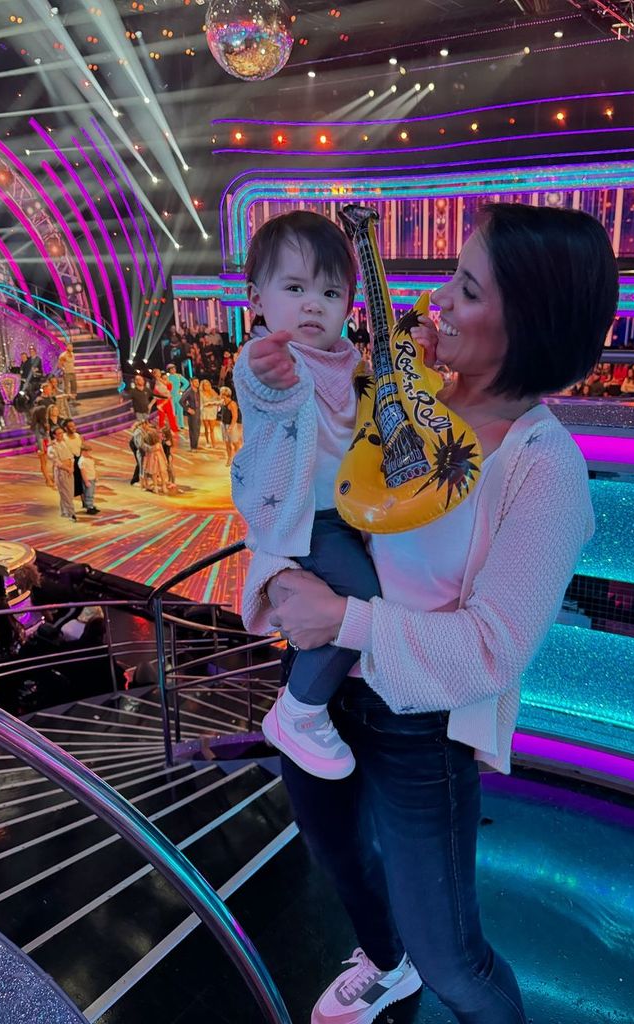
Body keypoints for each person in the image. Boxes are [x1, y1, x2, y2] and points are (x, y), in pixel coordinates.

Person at [241, 202, 619, 1024]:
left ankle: (420, 969)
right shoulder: (408, 393)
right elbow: (291, 485)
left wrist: (339, 620)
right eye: (452, 275)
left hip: (417, 726)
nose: (438, 301)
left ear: (529, 325)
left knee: (452, 958)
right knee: (337, 861)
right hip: (319, 686)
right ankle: (383, 963)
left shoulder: (544, 469)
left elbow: (492, 650)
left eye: (468, 289)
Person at [232, 209, 381, 783]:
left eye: (329, 291)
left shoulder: (350, 362)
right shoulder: (272, 359)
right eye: (294, 288)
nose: (313, 304)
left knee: (356, 604)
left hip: (346, 514)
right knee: (363, 603)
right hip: (308, 520)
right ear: (258, 298)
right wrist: (264, 371)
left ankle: (309, 705)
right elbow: (260, 384)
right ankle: (297, 712)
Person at [48, 425, 77, 521]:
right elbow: (57, 462)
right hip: (62, 472)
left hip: (69, 470)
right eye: (59, 433)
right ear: (54, 435)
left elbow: (71, 457)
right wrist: (67, 468)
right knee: (66, 493)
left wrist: (71, 467)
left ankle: (64, 510)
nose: (61, 435)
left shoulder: (65, 443)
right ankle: (71, 513)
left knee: (69, 492)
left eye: (62, 433)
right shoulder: (52, 447)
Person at [217, 386, 241, 467]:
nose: (220, 395)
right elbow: (216, 404)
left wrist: (230, 427)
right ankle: (229, 458)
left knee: (235, 443)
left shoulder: (232, 404)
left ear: (225, 394)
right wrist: (208, 404)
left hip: (230, 425)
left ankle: (238, 460)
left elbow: (235, 417)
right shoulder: (222, 402)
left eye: (221, 393)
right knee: (227, 443)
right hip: (223, 424)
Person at [166, 363, 190, 430]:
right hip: (171, 396)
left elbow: (187, 383)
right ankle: (173, 425)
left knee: (180, 410)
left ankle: (181, 425)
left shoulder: (178, 376)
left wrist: (182, 389)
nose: (173, 370)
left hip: (178, 396)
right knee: (172, 412)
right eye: (171, 369)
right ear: (169, 370)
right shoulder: (167, 378)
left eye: (174, 368)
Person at [179, 376, 202, 451]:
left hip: (198, 411)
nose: (197, 383)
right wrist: (188, 409)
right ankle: (193, 447)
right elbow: (181, 401)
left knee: (197, 429)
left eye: (198, 382)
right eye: (195, 382)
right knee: (193, 430)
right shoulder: (189, 391)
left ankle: (196, 445)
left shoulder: (198, 391)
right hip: (193, 412)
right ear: (191, 383)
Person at [199, 378, 221, 448]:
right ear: (202, 386)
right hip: (205, 412)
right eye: (205, 385)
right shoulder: (200, 393)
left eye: (208, 385)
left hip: (212, 412)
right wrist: (207, 404)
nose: (207, 386)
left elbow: (218, 399)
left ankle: (214, 443)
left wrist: (219, 399)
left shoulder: (213, 391)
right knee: (206, 428)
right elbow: (201, 404)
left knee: (212, 429)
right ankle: (208, 442)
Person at [79, 442, 99, 515]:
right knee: (88, 493)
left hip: (92, 478)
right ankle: (89, 507)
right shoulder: (82, 460)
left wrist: (96, 476)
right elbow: (83, 472)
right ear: (83, 452)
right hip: (88, 479)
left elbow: (94, 468)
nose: (89, 453)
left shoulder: (90, 459)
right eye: (88, 452)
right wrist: (86, 481)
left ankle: (92, 505)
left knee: (92, 493)